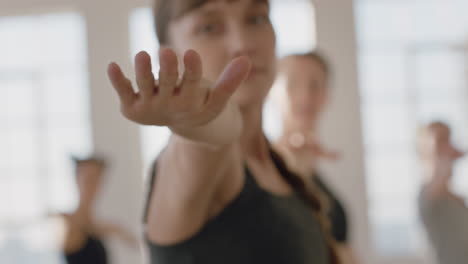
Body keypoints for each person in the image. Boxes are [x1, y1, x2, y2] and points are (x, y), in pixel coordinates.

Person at [107, 0, 340, 263]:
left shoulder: (275, 164)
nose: (242, 44)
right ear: (169, 52)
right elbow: (216, 133)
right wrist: (194, 119)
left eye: (256, 19)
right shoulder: (193, 159)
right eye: (209, 27)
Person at [273, 52, 359, 264]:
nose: (305, 96)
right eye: (292, 84)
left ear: (326, 96)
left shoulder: (317, 174)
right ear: (271, 92)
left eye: (315, 85)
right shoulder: (263, 168)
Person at [57, 156, 136, 264]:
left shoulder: (98, 225)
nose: (93, 186)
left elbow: (134, 243)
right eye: (88, 179)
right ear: (77, 179)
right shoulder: (67, 222)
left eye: (97, 179)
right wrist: (112, 229)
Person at [417, 121, 468, 264]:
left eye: (449, 139)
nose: (449, 145)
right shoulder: (428, 194)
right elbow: (440, 176)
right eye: (442, 140)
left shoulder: (456, 199)